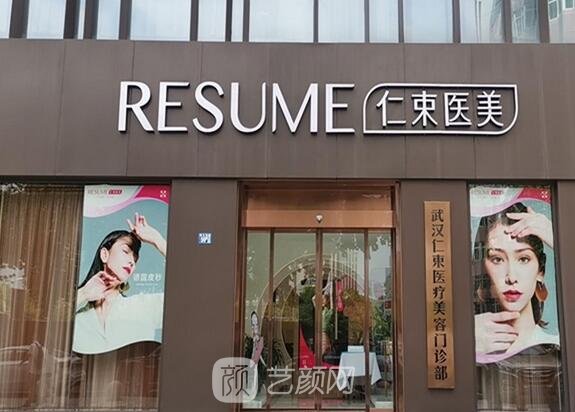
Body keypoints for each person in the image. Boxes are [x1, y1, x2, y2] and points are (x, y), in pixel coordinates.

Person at [473, 202, 559, 363]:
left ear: (540, 270)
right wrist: (465, 343)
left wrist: (558, 239)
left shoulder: (559, 347)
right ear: (482, 268)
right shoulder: (471, 342)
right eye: (497, 259)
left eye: (524, 259)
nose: (511, 277)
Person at [72, 213, 167, 355]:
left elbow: (194, 292)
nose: (132, 261)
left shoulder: (143, 307)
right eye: (125, 251)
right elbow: (46, 321)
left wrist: (157, 240)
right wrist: (84, 294)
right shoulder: (76, 309)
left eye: (135, 259)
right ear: (105, 255)